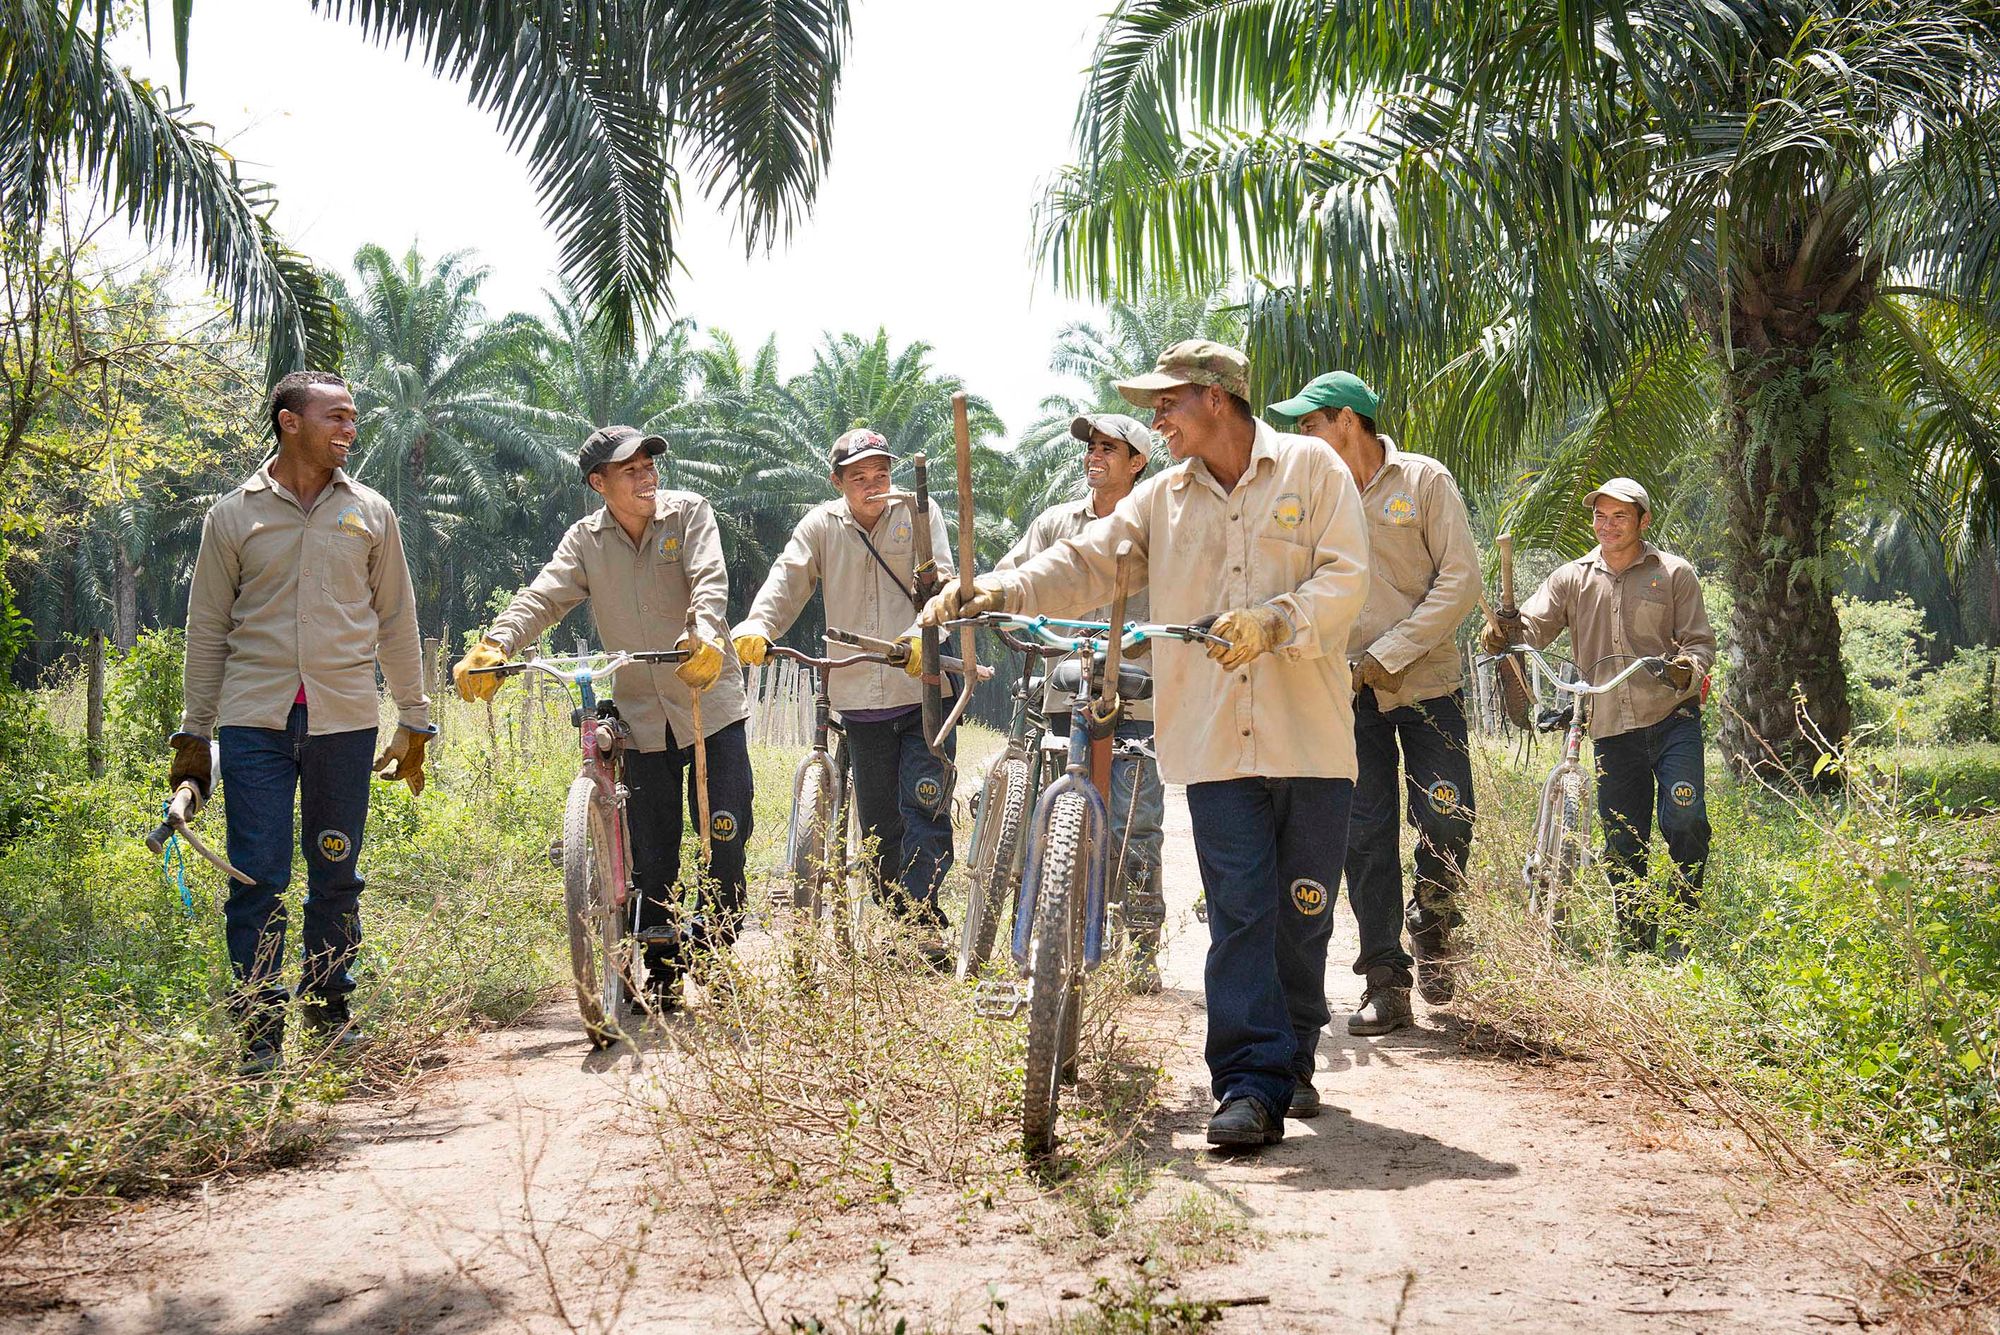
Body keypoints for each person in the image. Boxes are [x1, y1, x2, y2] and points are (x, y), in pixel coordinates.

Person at [923, 341, 1369, 1148]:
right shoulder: (1160, 499)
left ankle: (1292, 1051)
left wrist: (1276, 622)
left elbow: (1345, 579)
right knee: (1240, 911)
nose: (1157, 419)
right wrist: (998, 585)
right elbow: (1087, 560)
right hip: (1212, 742)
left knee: (1302, 914)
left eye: (1168, 404)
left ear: (1218, 399)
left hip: (1309, 737)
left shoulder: (1313, 470)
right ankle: (1246, 1083)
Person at [172, 370, 433, 1075]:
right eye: (336, 417)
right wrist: (195, 734)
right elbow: (207, 628)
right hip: (253, 722)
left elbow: (398, 620)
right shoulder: (233, 516)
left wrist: (415, 716)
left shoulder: (371, 513)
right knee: (257, 876)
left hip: (343, 720)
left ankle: (328, 1009)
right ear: (290, 422)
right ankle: (259, 1032)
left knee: (336, 870)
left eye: (353, 418)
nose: (349, 429)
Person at [452, 425, 750, 1011]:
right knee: (655, 847)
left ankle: (714, 951)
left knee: (725, 837)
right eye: (630, 470)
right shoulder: (585, 541)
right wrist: (496, 644)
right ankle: (662, 971)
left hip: (707, 701)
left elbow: (709, 582)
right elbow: (543, 597)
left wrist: (706, 634)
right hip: (640, 714)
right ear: (599, 483)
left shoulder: (689, 514)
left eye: (649, 466)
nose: (647, 477)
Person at [1270, 372, 1481, 1028]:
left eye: (1310, 422)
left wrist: (1387, 655)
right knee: (1363, 835)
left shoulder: (1424, 482)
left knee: (1447, 819)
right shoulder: (1305, 499)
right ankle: (1384, 979)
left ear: (1348, 421)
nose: (1302, 435)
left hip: (1427, 687)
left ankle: (1435, 921)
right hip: (1342, 696)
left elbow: (1461, 581)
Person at [730, 428, 959, 962]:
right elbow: (787, 579)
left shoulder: (921, 513)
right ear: (838, 483)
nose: (874, 486)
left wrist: (925, 634)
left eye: (881, 474)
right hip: (859, 696)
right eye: (860, 478)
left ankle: (923, 927)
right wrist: (759, 626)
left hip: (924, 687)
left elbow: (946, 583)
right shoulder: (820, 526)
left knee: (925, 807)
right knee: (879, 821)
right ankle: (898, 917)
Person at [1483, 478, 1716, 955]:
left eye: (1620, 517)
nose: (1608, 526)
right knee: (1622, 841)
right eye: (1600, 517)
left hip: (1672, 720)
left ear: (1643, 521)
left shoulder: (1674, 574)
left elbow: (1699, 643)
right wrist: (1503, 632)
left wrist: (1684, 668)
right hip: (1610, 727)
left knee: (1685, 818)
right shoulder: (1572, 578)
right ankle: (1635, 942)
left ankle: (1682, 921)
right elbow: (1531, 625)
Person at [996, 412, 1167, 992]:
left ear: (1138, 462)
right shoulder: (1054, 524)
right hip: (1062, 694)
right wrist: (1008, 611)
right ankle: (1037, 937)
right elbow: (1010, 576)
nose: (1095, 456)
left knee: (1136, 822)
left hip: (1136, 699)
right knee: (1044, 818)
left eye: (1109, 449)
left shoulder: (1159, 524)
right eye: (1091, 447)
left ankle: (1141, 946)